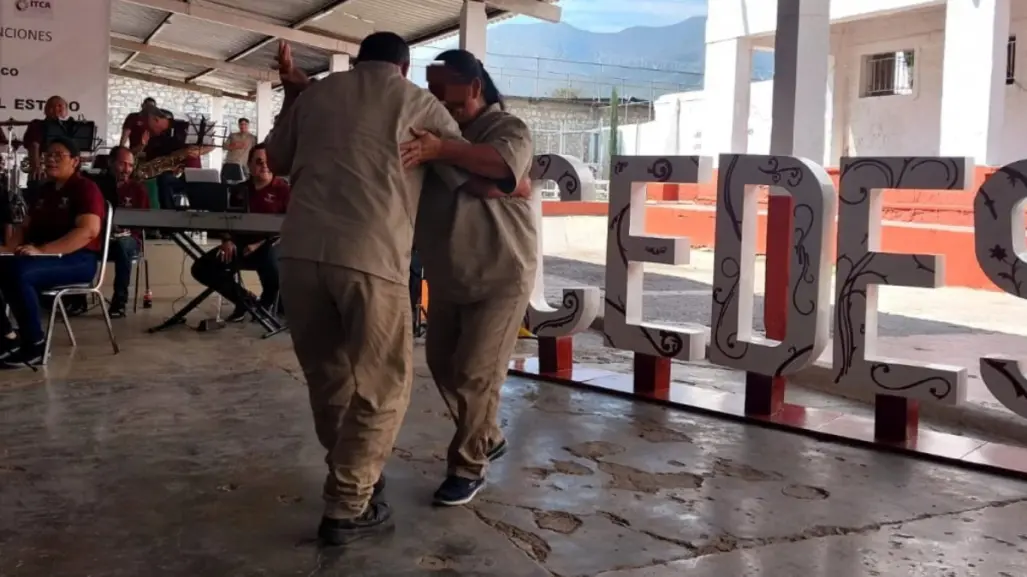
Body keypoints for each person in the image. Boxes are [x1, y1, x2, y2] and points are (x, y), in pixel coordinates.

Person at [266, 35, 511, 546]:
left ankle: (359, 482)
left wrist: (296, 92)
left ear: (358, 62)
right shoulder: (418, 105)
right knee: (384, 387)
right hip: (370, 259)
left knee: (328, 378)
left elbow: (278, 158)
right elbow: (477, 173)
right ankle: (349, 506)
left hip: (298, 254)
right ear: (404, 68)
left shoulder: (317, 95)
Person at [401, 50, 536, 506]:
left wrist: (443, 154)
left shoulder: (507, 128)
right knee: (443, 366)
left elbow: (501, 171)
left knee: (478, 374)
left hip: (501, 271)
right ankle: (488, 434)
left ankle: (467, 465)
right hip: (449, 273)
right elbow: (489, 183)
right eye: (431, 91)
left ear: (475, 87)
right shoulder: (432, 132)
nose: (437, 100)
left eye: (446, 93)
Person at [0, 137, 105, 368]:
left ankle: (35, 344)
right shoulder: (42, 190)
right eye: (48, 155)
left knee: (17, 273)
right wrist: (7, 250)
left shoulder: (85, 188)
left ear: (76, 161)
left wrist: (42, 251)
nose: (51, 159)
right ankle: (6, 337)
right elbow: (23, 228)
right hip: (39, 257)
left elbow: (88, 231)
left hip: (77, 259)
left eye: (59, 155)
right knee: (7, 265)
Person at [190, 144, 288, 322]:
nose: (264, 166)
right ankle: (245, 301)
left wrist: (259, 244)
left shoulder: (284, 189)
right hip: (239, 247)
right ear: (249, 165)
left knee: (271, 259)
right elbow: (225, 218)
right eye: (258, 162)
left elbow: (291, 225)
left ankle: (266, 307)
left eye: (267, 162)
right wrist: (227, 239)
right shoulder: (238, 190)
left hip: (271, 245)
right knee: (201, 268)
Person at [102, 146, 149, 318]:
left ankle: (119, 302)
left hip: (129, 239)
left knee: (123, 245)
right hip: (102, 238)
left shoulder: (138, 189)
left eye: (130, 165)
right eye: (122, 164)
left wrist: (123, 228)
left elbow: (144, 221)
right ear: (110, 163)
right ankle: (76, 299)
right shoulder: (98, 186)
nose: (127, 170)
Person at [22, 95, 70, 183]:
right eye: (51, 106)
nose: (56, 109)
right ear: (46, 110)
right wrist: (36, 167)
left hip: (65, 174)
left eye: (60, 106)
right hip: (44, 172)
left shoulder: (70, 128)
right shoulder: (37, 125)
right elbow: (34, 145)